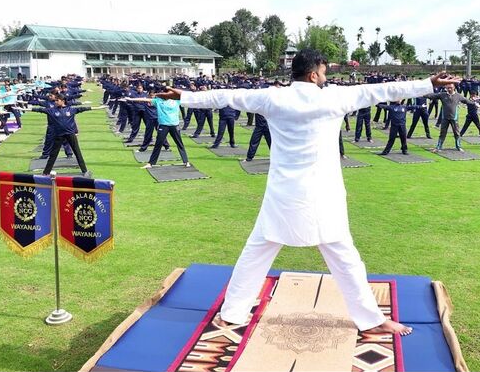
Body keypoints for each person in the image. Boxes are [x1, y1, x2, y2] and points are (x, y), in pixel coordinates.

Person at [154, 48, 461, 335]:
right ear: (314, 74)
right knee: (344, 256)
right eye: (324, 72)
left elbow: (227, 96)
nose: (326, 78)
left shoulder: (272, 98)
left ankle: (233, 313)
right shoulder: (335, 98)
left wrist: (182, 96)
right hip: (322, 194)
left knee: (256, 253)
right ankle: (371, 320)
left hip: (283, 194)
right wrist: (429, 82)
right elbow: (386, 90)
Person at [28, 94, 106, 176]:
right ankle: (46, 173)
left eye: (57, 100)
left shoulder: (71, 110)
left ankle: (84, 171)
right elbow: (39, 109)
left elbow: (84, 108)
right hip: (59, 135)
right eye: (55, 100)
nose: (55, 102)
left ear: (62, 100)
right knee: (53, 155)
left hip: (70, 134)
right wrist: (23, 108)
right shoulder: (52, 110)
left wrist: (98, 108)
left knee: (77, 152)